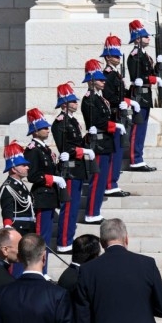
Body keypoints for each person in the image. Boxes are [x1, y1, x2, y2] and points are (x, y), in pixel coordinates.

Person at [52, 81, 96, 253]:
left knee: (74, 207)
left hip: (77, 169)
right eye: (72, 101)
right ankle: (64, 242)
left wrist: (87, 138)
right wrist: (83, 150)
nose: (76, 103)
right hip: (69, 169)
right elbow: (66, 148)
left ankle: (68, 239)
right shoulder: (60, 122)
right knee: (69, 208)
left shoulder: (72, 120)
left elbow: (75, 142)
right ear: (64, 103)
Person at [82, 59, 125, 223]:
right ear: (92, 81)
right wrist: (115, 126)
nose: (103, 81)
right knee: (97, 180)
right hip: (98, 144)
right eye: (100, 79)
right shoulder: (89, 99)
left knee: (101, 181)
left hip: (105, 143)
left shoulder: (99, 98)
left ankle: (95, 211)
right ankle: (91, 213)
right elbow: (98, 122)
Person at [23, 107, 66, 272]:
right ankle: (40, 270)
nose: (48, 129)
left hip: (49, 197)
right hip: (41, 196)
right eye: (44, 127)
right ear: (35, 131)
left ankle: (44, 270)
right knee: (41, 237)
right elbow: (33, 176)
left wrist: (61, 163)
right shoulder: (33, 150)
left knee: (46, 237)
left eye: (47, 127)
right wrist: (53, 179)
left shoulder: (44, 149)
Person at [101, 34, 137, 197]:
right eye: (115, 56)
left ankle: (113, 182)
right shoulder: (108, 75)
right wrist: (119, 102)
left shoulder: (116, 74)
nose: (118, 58)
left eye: (118, 55)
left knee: (119, 149)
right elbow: (108, 96)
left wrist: (128, 100)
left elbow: (121, 93)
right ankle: (110, 183)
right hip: (113, 117)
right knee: (115, 151)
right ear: (108, 57)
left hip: (120, 115)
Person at [127, 19, 161, 172]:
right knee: (137, 128)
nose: (149, 38)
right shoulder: (134, 56)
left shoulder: (145, 55)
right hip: (139, 95)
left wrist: (158, 67)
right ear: (138, 38)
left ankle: (139, 157)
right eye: (145, 36)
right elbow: (137, 78)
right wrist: (154, 79)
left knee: (143, 128)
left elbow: (150, 73)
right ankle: (135, 159)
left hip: (146, 95)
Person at [0, 141, 34, 277]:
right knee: (16, 266)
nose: (27, 167)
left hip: (28, 230)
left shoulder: (21, 186)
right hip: (18, 230)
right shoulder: (8, 188)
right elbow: (7, 212)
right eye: (23, 165)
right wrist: (8, 229)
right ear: (13, 168)